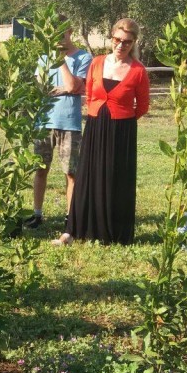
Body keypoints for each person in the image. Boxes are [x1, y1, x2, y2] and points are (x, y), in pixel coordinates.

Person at [55, 18, 150, 246]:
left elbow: (143, 105)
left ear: (133, 42)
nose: (121, 45)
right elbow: (89, 95)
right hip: (96, 126)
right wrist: (102, 115)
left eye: (127, 41)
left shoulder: (138, 71)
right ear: (112, 37)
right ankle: (72, 231)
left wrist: (123, 120)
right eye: (117, 39)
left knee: (116, 178)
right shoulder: (97, 63)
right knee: (87, 176)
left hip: (122, 130)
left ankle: (113, 233)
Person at [26, 19, 91, 230]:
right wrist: (66, 89)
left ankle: (69, 217)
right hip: (44, 121)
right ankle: (37, 214)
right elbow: (40, 89)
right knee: (40, 169)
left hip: (69, 123)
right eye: (52, 35)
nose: (56, 39)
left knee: (70, 172)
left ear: (70, 32)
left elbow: (73, 85)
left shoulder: (83, 57)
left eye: (60, 34)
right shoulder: (43, 58)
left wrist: (60, 61)